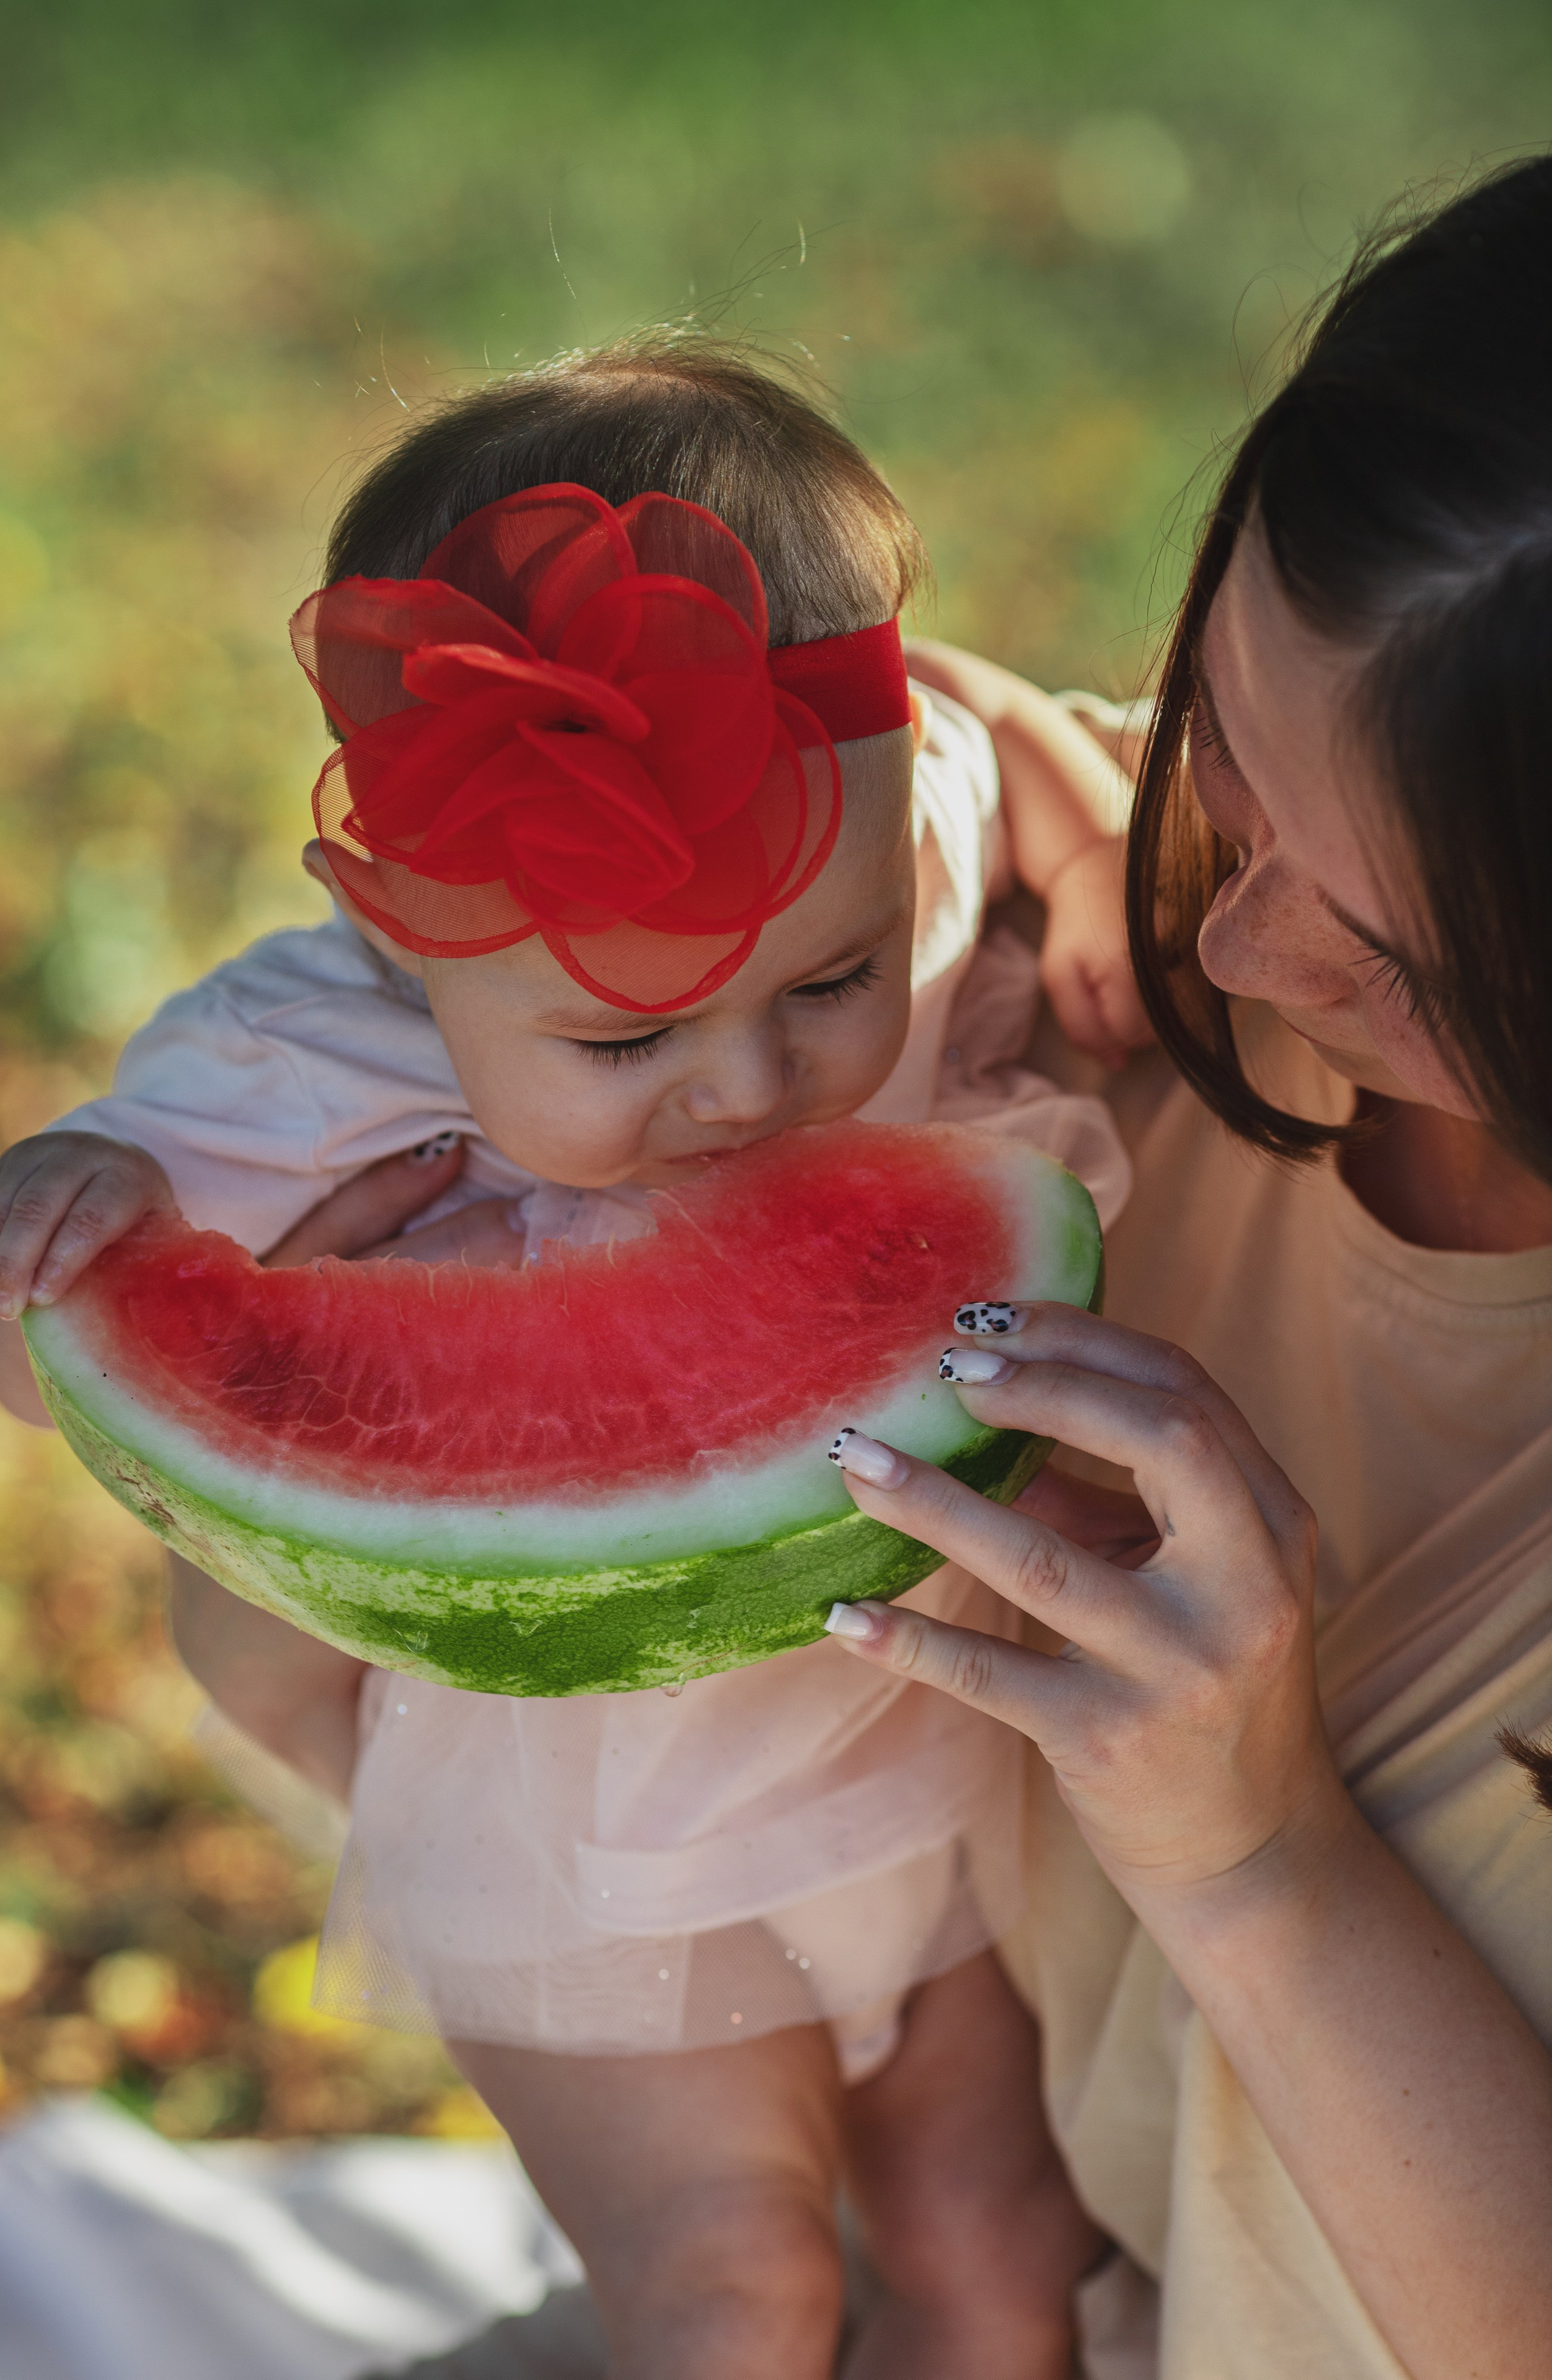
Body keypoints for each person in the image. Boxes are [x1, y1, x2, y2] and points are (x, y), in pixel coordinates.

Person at [0, 343, 1150, 2380]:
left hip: (929, 1762)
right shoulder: (301, 1054)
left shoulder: (887, 820)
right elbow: (60, 1355)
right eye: (624, 1041)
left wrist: (1086, 828)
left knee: (995, 2248)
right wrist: (58, 1224)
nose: (750, 1082)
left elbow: (960, 725)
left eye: (835, 979)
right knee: (736, 2296)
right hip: (581, 1855)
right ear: (393, 930)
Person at [818, 159, 1552, 2379]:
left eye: (1403, 963)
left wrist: (1254, 1858)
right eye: (1223, 741)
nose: (1227, 947)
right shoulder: (1110, 941)